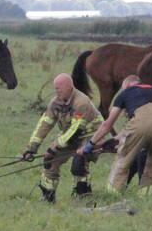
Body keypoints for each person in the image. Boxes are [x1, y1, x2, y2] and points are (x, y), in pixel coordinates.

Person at [80, 75, 152, 192]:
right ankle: (148, 195)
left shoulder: (126, 93)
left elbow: (107, 125)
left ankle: (112, 193)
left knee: (122, 160)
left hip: (140, 124)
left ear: (128, 85)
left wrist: (91, 144)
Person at [21, 73, 104, 203]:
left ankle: (83, 196)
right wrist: (31, 148)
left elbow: (75, 131)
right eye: (55, 88)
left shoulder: (82, 102)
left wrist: (53, 148)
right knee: (50, 160)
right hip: (70, 134)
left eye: (59, 88)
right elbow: (44, 124)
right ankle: (48, 196)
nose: (57, 92)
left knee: (78, 164)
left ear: (69, 86)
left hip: (91, 135)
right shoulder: (55, 102)